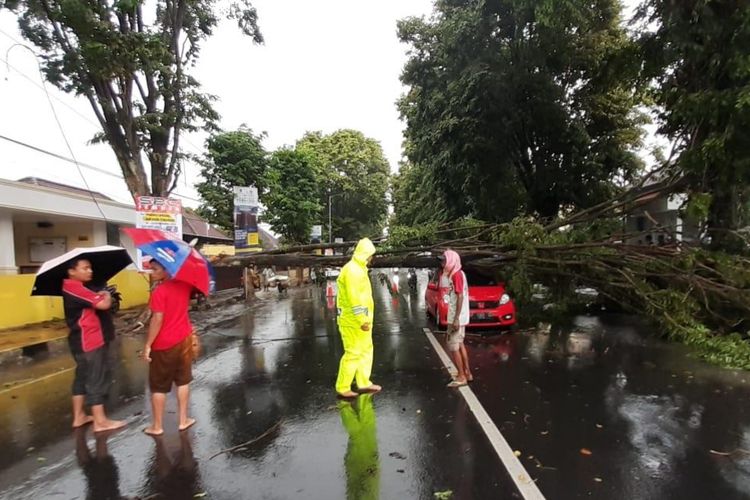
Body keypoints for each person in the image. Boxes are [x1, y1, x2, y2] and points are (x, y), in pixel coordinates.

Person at [63, 258, 126, 433]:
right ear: (72, 271)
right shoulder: (75, 287)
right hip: (89, 339)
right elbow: (103, 304)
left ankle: (79, 416)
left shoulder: (75, 287)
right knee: (96, 378)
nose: (89, 271)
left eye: (90, 267)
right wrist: (106, 293)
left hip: (79, 339)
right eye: (85, 268)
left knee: (82, 377)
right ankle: (100, 421)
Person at [142, 260, 196, 436]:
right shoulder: (185, 286)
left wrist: (148, 345)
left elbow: (157, 320)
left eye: (155, 269)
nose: (152, 272)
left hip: (164, 344)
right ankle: (183, 420)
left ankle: (157, 426)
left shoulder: (159, 291)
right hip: (184, 339)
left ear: (167, 270)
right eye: (151, 269)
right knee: (183, 381)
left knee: (158, 386)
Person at [335, 238, 380, 398]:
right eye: (371, 255)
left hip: (362, 320)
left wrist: (365, 319)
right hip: (352, 320)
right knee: (353, 352)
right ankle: (343, 386)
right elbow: (354, 298)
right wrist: (362, 319)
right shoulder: (353, 271)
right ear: (365, 254)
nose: (372, 258)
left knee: (365, 350)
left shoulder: (359, 269)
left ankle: (363, 382)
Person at [441, 250, 473, 387]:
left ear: (452, 260)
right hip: (459, 316)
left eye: (444, 260)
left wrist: (456, 319)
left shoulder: (457, 275)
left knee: (453, 346)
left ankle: (461, 376)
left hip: (456, 317)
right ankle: (467, 372)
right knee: (459, 344)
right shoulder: (457, 273)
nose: (443, 263)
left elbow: (459, 296)